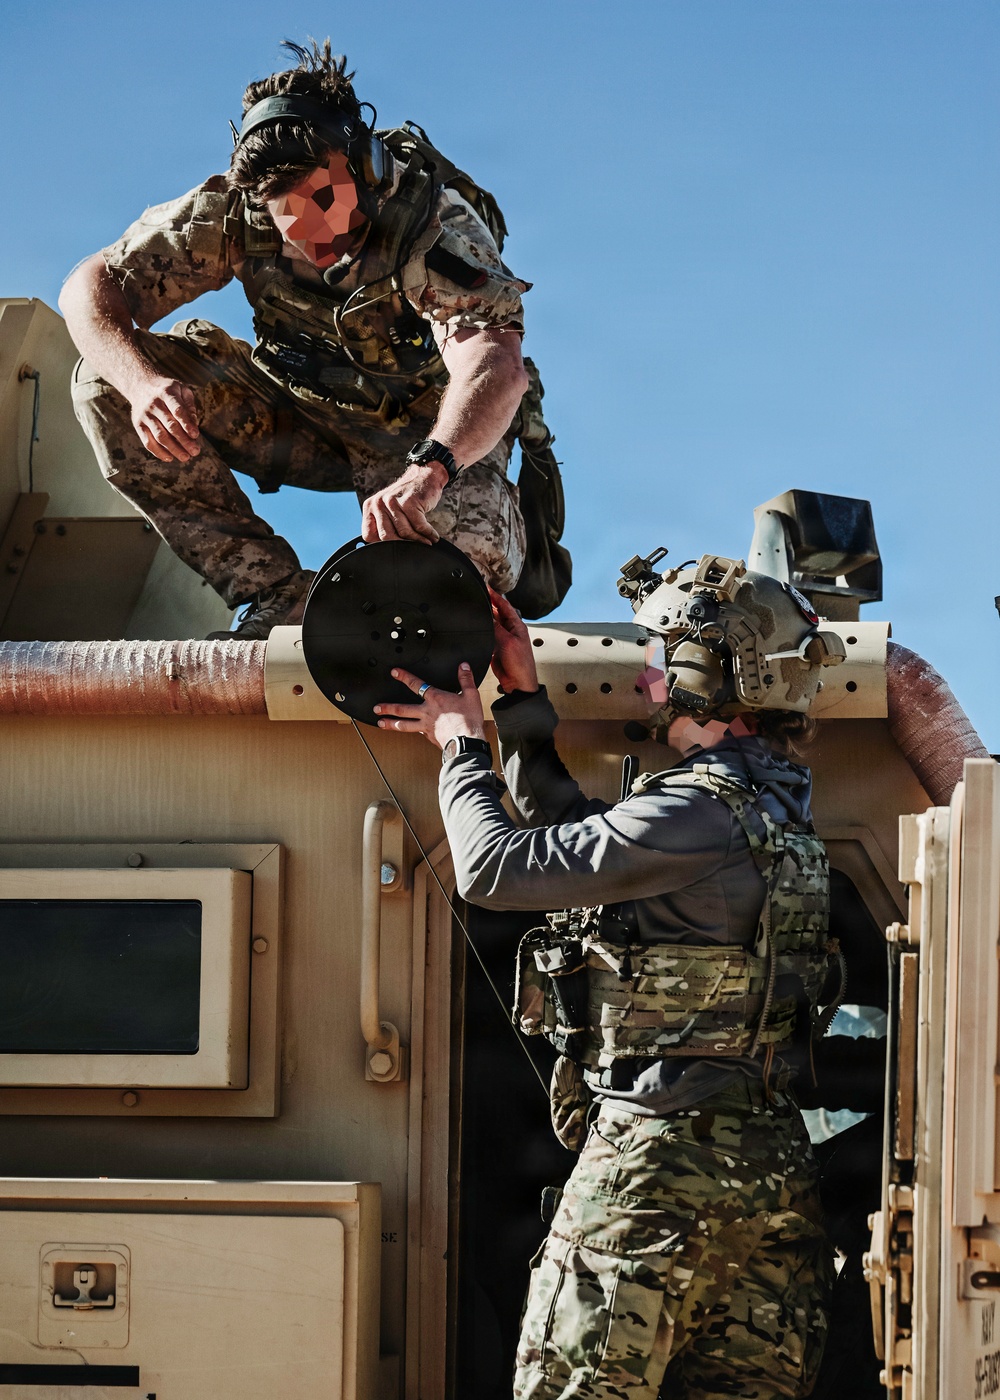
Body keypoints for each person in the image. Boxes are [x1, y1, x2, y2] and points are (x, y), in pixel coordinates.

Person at [373, 551, 849, 1398]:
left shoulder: (696, 809)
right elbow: (588, 848)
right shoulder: (771, 807)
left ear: (711, 670)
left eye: (662, 652)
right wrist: (522, 705)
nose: (646, 673)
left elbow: (493, 868)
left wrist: (461, 747)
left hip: (656, 1164)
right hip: (770, 1167)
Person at [59, 40, 556, 638]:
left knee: (451, 574)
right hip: (296, 415)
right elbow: (90, 285)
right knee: (103, 382)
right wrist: (143, 387)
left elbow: (494, 366)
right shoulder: (233, 212)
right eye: (289, 213)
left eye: (326, 197)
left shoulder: (433, 225)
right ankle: (275, 593)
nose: (314, 230)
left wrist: (431, 470)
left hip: (423, 432)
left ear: (365, 167)